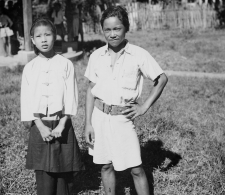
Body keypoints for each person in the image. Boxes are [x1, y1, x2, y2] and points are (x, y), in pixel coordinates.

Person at [84, 6, 168, 195]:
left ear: (126, 28)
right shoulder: (96, 56)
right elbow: (91, 90)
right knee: (105, 166)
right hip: (99, 118)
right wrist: (88, 123)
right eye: (107, 29)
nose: (112, 34)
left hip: (123, 118)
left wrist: (144, 107)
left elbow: (161, 79)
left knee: (136, 168)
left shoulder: (138, 54)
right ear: (102, 30)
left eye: (117, 29)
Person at [20, 17, 84, 195]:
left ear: (55, 36)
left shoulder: (65, 64)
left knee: (64, 171)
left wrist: (62, 124)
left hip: (62, 124)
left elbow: (71, 96)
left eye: (48, 34)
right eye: (39, 36)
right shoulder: (30, 68)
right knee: (44, 173)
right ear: (32, 40)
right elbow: (27, 99)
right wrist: (40, 126)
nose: (44, 39)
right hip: (40, 126)